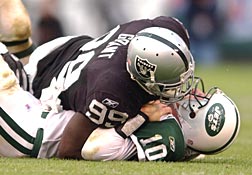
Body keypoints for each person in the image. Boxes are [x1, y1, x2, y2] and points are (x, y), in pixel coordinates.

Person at [21, 16, 195, 159]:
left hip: (70, 48)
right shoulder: (111, 93)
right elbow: (68, 150)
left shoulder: (169, 28)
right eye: (172, 80)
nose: (180, 85)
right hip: (44, 80)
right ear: (145, 76)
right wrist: (140, 118)